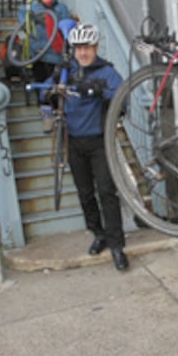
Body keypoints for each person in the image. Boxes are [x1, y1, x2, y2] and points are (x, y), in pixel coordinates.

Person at [43, 23, 129, 271]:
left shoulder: (107, 72)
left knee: (106, 192)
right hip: (73, 140)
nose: (83, 53)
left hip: (100, 141)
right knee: (85, 193)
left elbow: (122, 100)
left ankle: (116, 245)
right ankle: (98, 233)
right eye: (78, 48)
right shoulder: (66, 71)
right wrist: (51, 89)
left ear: (96, 47)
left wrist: (100, 90)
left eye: (87, 48)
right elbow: (46, 95)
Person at [17, 0, 73, 81]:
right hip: (38, 57)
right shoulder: (29, 10)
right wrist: (30, 47)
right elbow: (22, 30)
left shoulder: (61, 9)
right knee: (42, 90)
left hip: (57, 57)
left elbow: (66, 31)